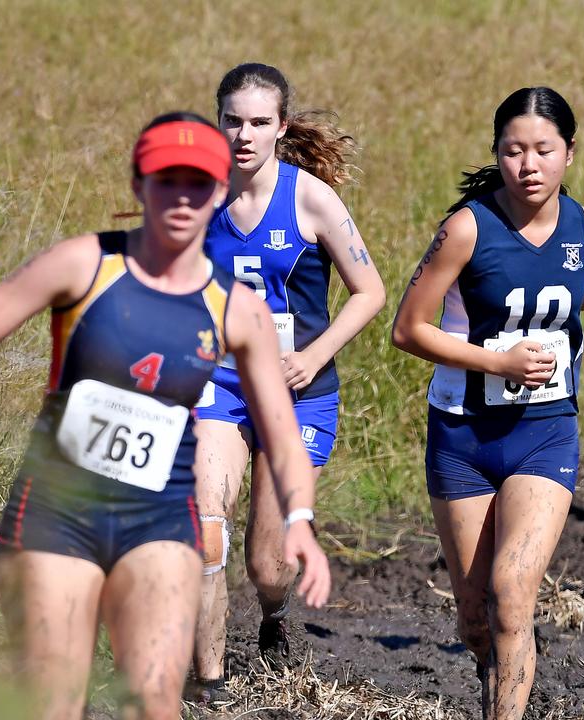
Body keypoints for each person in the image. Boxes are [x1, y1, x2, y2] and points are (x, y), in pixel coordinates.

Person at [0, 113, 331, 720]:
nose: (182, 198)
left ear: (219, 191)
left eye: (198, 183)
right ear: (139, 186)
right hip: (57, 512)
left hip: (160, 514)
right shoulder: (85, 265)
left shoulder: (236, 309)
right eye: (166, 181)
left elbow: (279, 427)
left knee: (154, 704)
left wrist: (298, 518)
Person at [392, 87, 584, 720]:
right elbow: (407, 328)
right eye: (514, 151)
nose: (529, 166)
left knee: (513, 589)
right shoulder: (467, 228)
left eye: (543, 151)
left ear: (570, 153)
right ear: (496, 153)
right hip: (463, 435)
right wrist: (496, 362)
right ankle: (501, 670)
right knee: (476, 619)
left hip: (544, 432)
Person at [188, 63, 384, 700]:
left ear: (282, 127)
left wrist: (313, 355)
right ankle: (209, 683)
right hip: (220, 382)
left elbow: (369, 292)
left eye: (258, 122)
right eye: (232, 121)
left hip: (298, 391)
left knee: (267, 566)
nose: (243, 135)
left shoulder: (311, 199)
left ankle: (274, 615)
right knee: (205, 526)